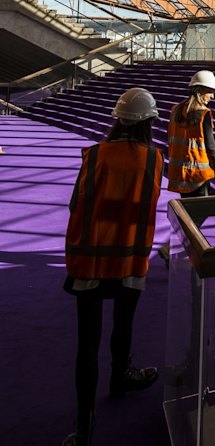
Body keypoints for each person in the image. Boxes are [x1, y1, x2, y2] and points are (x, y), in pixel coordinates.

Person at [62, 88, 164, 446]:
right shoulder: (154, 158)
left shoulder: (96, 155)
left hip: (89, 260)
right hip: (129, 258)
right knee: (124, 325)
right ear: (150, 122)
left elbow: (78, 202)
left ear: (117, 119)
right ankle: (121, 376)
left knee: (86, 344)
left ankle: (84, 424)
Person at [158, 71, 215, 268]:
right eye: (210, 92)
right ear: (200, 90)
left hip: (180, 172)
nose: (212, 96)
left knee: (188, 213)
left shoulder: (176, 110)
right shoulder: (203, 114)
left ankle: (176, 250)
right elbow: (211, 146)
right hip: (197, 173)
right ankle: (171, 247)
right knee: (199, 213)